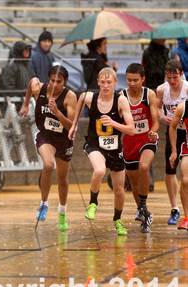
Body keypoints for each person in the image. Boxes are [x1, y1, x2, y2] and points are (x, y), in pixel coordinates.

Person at [69, 67, 135, 236]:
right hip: (94, 144)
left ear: (115, 83)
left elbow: (131, 129)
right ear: (98, 82)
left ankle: (118, 220)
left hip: (115, 148)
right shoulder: (90, 97)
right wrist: (74, 125)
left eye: (109, 82)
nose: (106, 85)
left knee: (119, 190)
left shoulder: (120, 101)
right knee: (99, 170)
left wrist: (114, 123)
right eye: (103, 82)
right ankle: (93, 203)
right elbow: (80, 99)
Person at [19, 65, 77, 231]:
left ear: (64, 82)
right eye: (52, 81)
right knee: (48, 165)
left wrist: (58, 112)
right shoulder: (40, 89)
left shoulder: (70, 97)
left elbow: (71, 126)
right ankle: (43, 203)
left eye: (59, 82)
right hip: (45, 135)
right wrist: (25, 104)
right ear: (48, 79)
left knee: (62, 179)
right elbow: (31, 82)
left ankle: (62, 213)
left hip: (64, 139)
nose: (55, 84)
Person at [121, 63, 160, 233]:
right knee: (133, 183)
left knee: (144, 166)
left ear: (143, 79)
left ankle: (142, 207)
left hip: (147, 139)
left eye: (135, 80)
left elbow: (156, 121)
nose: (132, 83)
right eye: (129, 80)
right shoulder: (121, 96)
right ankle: (144, 212)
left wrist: (153, 131)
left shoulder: (149, 94)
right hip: (129, 142)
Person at [156, 59, 188, 225]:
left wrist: (182, 112)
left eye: (175, 77)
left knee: (186, 176)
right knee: (170, 169)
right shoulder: (162, 89)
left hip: (187, 131)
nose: (172, 81)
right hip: (173, 132)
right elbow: (156, 107)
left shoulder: (187, 88)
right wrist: (163, 117)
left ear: (181, 74)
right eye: (169, 78)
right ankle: (175, 208)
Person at [169, 99, 188, 230]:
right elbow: (172, 127)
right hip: (187, 148)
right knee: (185, 181)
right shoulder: (183, 107)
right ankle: (187, 218)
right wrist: (174, 151)